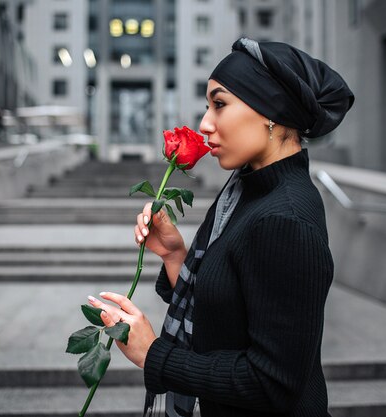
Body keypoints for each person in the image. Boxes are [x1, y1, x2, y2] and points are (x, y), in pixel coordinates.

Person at [87, 38, 354, 417]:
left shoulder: (284, 218)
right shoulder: (247, 190)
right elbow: (231, 316)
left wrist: (153, 355)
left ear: (270, 111)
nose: (204, 123)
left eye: (220, 104)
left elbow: (272, 383)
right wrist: (176, 255)